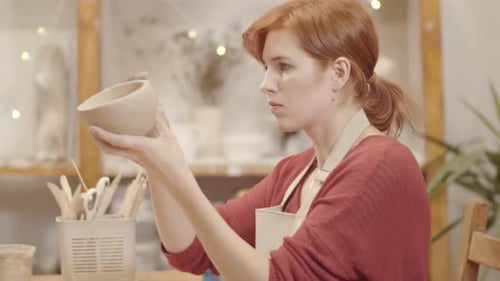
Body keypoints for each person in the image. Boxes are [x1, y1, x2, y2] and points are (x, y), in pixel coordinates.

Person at [89, 0, 431, 280]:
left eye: (283, 67)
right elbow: (191, 250)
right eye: (266, 68)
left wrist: (179, 175)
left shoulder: (381, 165)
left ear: (339, 74)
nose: (265, 84)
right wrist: (158, 165)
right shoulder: (296, 172)